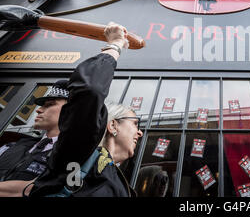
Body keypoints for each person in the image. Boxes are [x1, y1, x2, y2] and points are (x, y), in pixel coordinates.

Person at [24, 22, 143, 197]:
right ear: (112, 126)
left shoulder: (120, 183)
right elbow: (89, 91)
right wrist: (115, 45)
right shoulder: (78, 153)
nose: (140, 133)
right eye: (135, 124)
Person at [0, 80, 69, 196]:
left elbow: (37, 189)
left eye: (50, 104)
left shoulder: (71, 155)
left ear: (71, 110)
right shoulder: (11, 146)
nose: (38, 109)